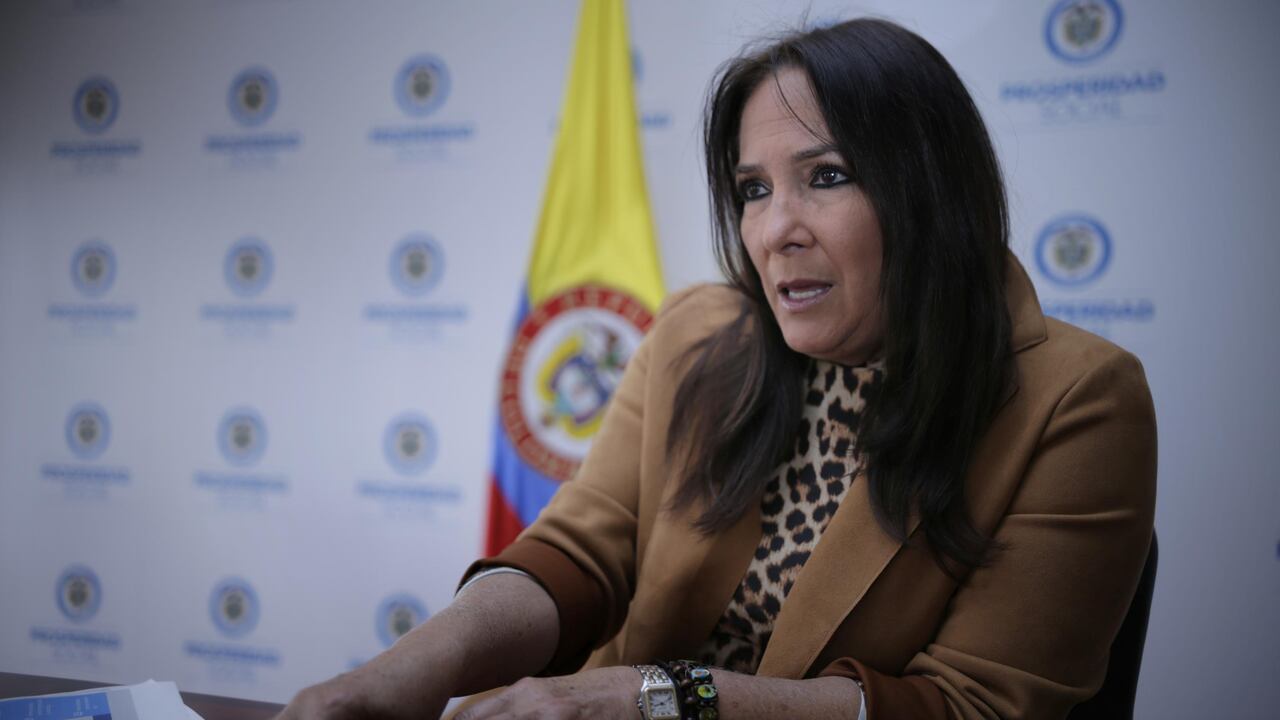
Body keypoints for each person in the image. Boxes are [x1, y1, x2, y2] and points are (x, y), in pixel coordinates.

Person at [277, 18, 1156, 720]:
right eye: (753, 189)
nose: (775, 231)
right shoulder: (697, 334)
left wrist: (665, 699)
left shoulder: (1078, 400)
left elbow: (973, 707)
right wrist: (406, 672)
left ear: (931, 188)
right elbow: (581, 552)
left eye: (827, 176)